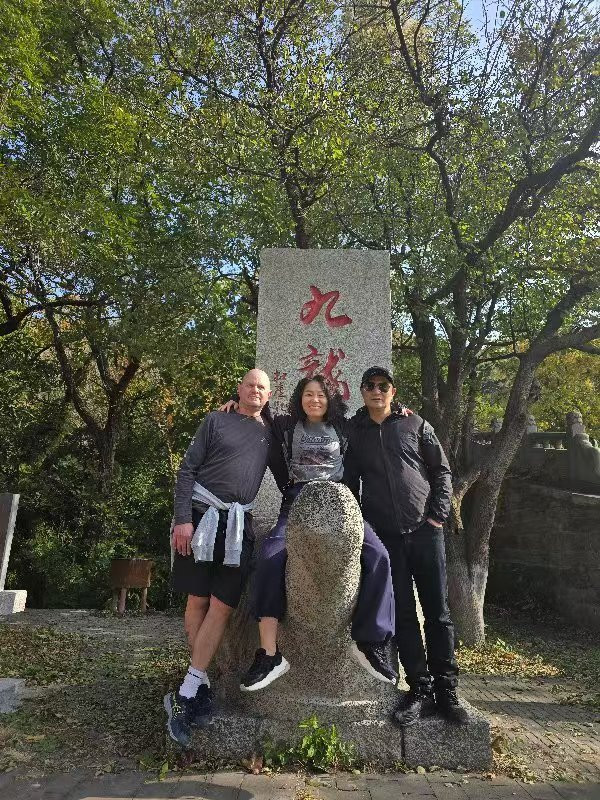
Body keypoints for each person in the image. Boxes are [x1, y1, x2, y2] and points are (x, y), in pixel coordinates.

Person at [222, 375, 398, 692]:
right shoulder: (286, 426)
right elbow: (257, 413)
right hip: (297, 503)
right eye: (308, 394)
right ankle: (270, 654)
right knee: (269, 559)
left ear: (330, 399)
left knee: (379, 556)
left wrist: (397, 408)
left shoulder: (345, 426)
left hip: (341, 504)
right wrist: (238, 404)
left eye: (320, 395)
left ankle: (370, 641)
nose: (314, 399)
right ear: (299, 399)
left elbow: (377, 409)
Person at [344, 367, 468, 726]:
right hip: (386, 538)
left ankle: (448, 691)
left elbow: (441, 471)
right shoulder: (357, 432)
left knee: (438, 613)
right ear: (362, 391)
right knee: (404, 617)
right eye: (370, 386)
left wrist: (438, 516)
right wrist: (361, 528)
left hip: (425, 531)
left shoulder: (416, 425)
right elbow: (350, 483)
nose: (377, 391)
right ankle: (420, 689)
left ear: (392, 391)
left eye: (383, 386)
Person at [164, 368, 279, 748]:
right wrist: (182, 520)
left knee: (222, 606)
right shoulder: (216, 419)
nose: (255, 391)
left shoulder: (271, 432)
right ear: (239, 389)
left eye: (262, 387)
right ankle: (199, 682)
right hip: (200, 517)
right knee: (196, 600)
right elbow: (187, 470)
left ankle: (190, 687)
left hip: (238, 523)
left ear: (269, 393)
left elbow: (311, 430)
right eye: (250, 385)